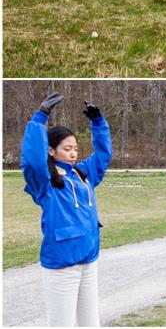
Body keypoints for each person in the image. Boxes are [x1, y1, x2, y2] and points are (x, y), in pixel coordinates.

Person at [21, 92, 112, 326]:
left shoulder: (83, 173)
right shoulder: (46, 183)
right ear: (51, 151)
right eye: (67, 148)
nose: (73, 153)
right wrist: (39, 119)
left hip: (89, 260)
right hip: (62, 266)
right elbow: (32, 161)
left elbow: (103, 156)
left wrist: (98, 123)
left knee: (91, 323)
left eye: (75, 148)